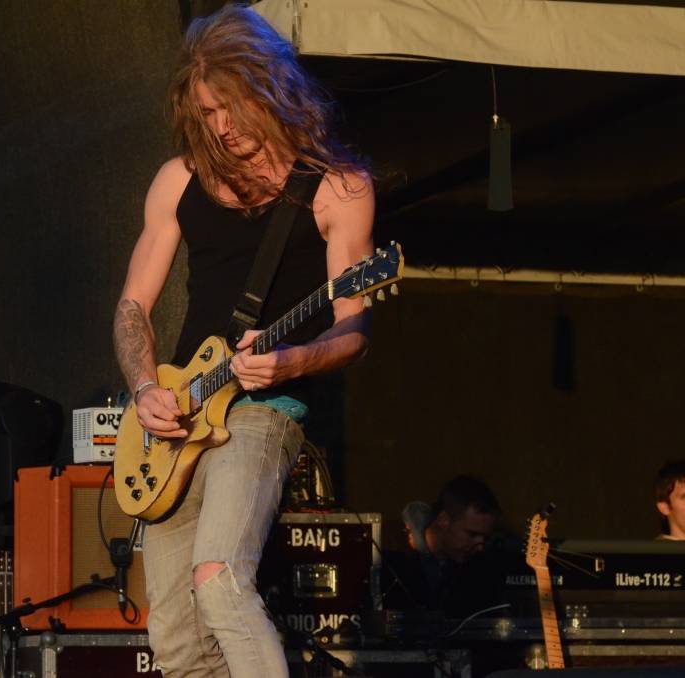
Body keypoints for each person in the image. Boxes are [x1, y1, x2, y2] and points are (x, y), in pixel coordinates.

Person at [111, 5, 374, 677]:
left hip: (263, 409)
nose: (222, 126)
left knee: (219, 577)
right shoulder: (177, 180)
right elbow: (133, 306)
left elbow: (353, 330)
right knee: (175, 639)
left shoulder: (337, 187)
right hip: (182, 415)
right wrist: (144, 387)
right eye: (207, 112)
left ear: (272, 89)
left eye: (232, 106)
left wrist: (292, 360)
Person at [388, 475, 503, 616]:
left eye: (485, 538)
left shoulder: (477, 568)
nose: (480, 547)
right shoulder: (396, 559)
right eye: (472, 534)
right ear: (443, 520)